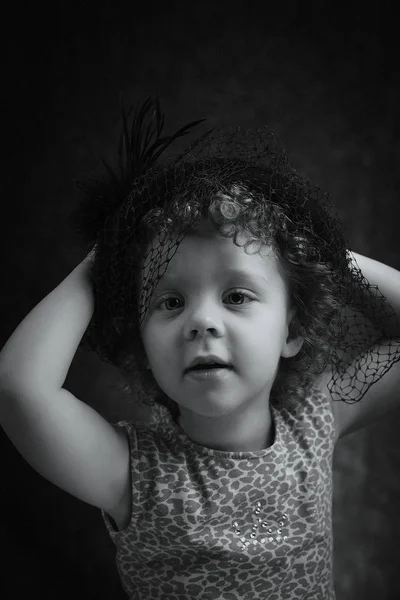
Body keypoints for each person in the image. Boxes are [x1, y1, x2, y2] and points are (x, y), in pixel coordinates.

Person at [1, 97, 400, 600]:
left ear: (291, 331)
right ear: (143, 345)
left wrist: (319, 252)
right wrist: (109, 253)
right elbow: (19, 388)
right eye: (170, 301)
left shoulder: (316, 421)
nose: (202, 321)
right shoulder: (134, 475)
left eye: (236, 296)